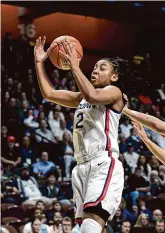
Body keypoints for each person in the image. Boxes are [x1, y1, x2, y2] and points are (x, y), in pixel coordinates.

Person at [34, 36, 128, 233]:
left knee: (89, 227)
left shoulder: (114, 93)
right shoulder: (80, 99)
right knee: (92, 227)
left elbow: (92, 95)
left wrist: (74, 66)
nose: (95, 70)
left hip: (103, 162)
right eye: (94, 67)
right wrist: (39, 62)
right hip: (81, 167)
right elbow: (48, 94)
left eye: (102, 68)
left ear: (114, 77)